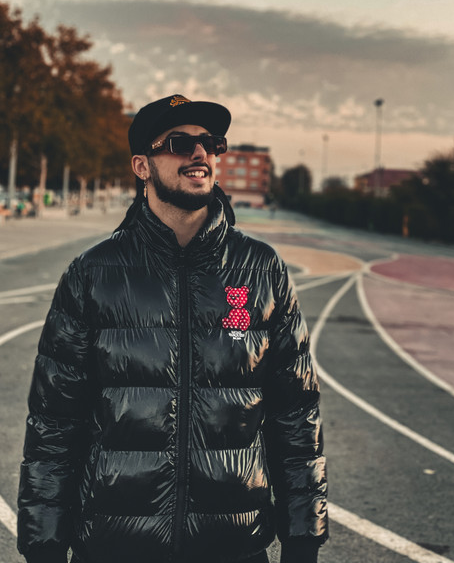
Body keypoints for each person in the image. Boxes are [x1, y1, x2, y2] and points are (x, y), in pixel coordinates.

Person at [17, 94, 328, 563]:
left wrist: (303, 541)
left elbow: (296, 416)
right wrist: (44, 546)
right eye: (179, 143)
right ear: (142, 166)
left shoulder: (262, 271)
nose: (200, 153)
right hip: (113, 548)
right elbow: (54, 424)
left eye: (211, 142)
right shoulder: (93, 274)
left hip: (234, 548)